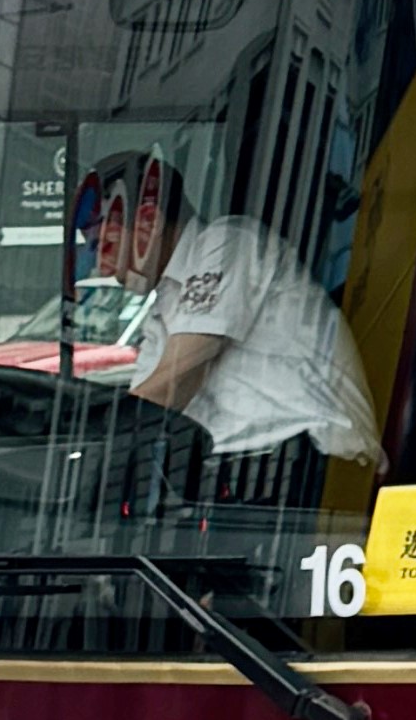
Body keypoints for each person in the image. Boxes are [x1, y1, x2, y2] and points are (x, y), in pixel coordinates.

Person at [95, 157, 384, 503]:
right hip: (240, 476)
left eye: (104, 245)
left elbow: (178, 378)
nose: (100, 265)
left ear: (148, 223)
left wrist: (97, 434)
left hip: (307, 464)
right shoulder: (165, 303)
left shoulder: (226, 242)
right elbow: (148, 401)